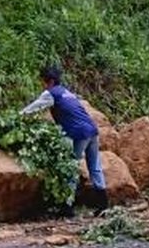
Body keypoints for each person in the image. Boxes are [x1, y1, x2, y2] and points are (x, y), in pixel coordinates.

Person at [21, 65, 108, 216]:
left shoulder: (51, 93)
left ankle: (67, 208)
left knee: (70, 168)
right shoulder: (67, 92)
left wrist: (18, 116)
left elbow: (33, 108)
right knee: (95, 167)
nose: (43, 85)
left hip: (79, 133)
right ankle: (103, 205)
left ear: (50, 81)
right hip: (92, 130)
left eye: (44, 81)